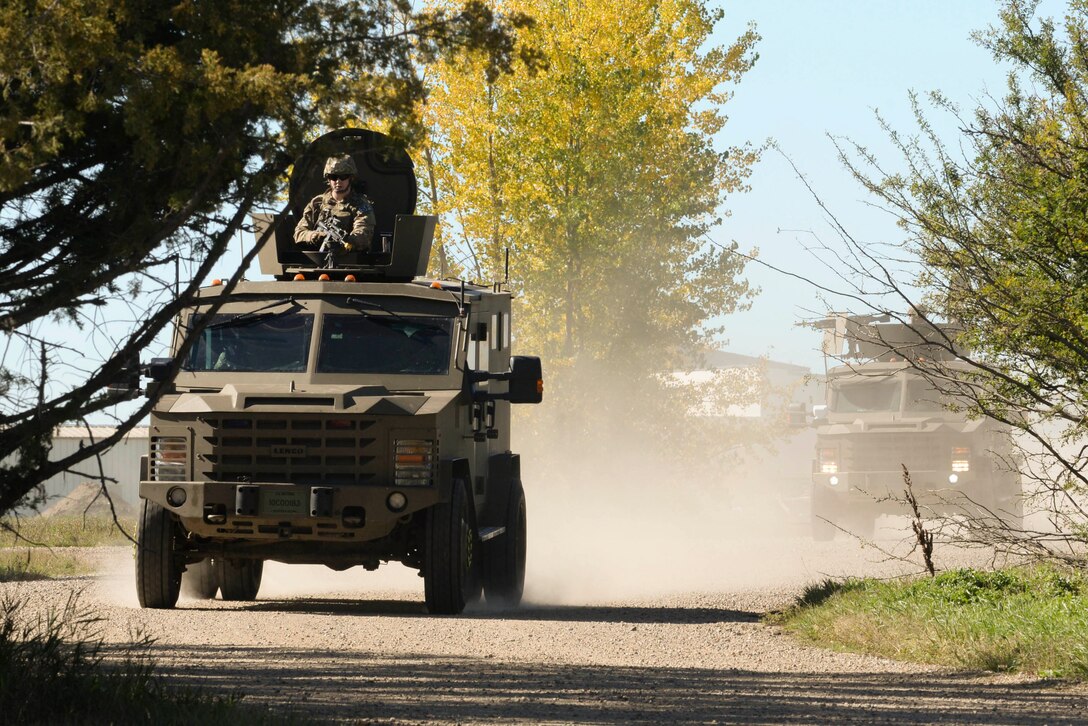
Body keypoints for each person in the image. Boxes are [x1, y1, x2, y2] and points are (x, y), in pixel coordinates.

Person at [293, 155, 376, 253]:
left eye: (343, 176)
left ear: (351, 178)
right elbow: (299, 233)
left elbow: (363, 233)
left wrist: (346, 241)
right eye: (333, 177)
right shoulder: (317, 203)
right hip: (317, 259)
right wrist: (315, 236)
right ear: (328, 179)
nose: (338, 181)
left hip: (349, 259)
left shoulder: (360, 204)